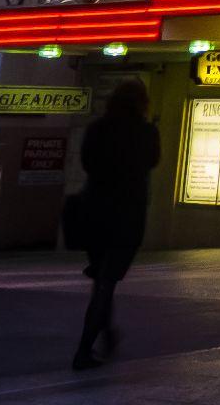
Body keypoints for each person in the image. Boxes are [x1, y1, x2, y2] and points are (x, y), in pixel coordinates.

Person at [70, 79, 161, 371]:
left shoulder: (97, 129)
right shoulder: (147, 132)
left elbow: (86, 163)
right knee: (106, 284)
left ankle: (106, 336)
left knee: (102, 280)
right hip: (127, 215)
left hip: (94, 211)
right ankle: (84, 350)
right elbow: (152, 162)